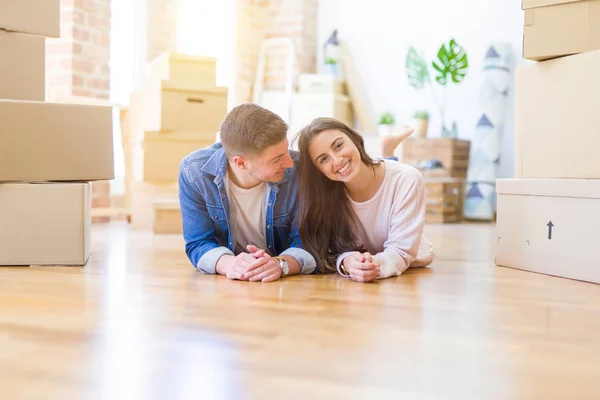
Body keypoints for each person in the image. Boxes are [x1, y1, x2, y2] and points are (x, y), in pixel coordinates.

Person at [178, 103, 317, 283]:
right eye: (277, 159)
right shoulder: (194, 173)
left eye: (286, 151)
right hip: (230, 286)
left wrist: (280, 264)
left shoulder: (300, 169)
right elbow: (198, 243)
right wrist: (231, 264)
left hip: (281, 280)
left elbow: (308, 242)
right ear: (241, 163)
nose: (289, 162)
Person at [294, 117, 435, 283]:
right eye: (324, 159)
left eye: (339, 146)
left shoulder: (408, 178)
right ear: (319, 171)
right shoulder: (324, 197)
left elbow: (401, 250)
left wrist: (373, 266)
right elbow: (331, 251)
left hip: (407, 262)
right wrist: (347, 262)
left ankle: (387, 150)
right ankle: (387, 148)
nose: (337, 160)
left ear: (354, 138)